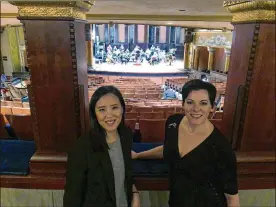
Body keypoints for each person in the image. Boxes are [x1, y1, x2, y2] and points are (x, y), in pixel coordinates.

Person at [132, 79, 240, 207]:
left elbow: (232, 198)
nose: (196, 109)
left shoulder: (221, 147)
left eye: (203, 103)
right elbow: (169, 148)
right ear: (183, 104)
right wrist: (138, 155)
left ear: (212, 107)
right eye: (190, 102)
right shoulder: (173, 123)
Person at [64, 86, 140, 207]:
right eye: (102, 109)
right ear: (94, 113)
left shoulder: (126, 135)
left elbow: (126, 173)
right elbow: (72, 198)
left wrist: (135, 193)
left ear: (122, 109)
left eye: (114, 107)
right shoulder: (82, 147)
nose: (109, 115)